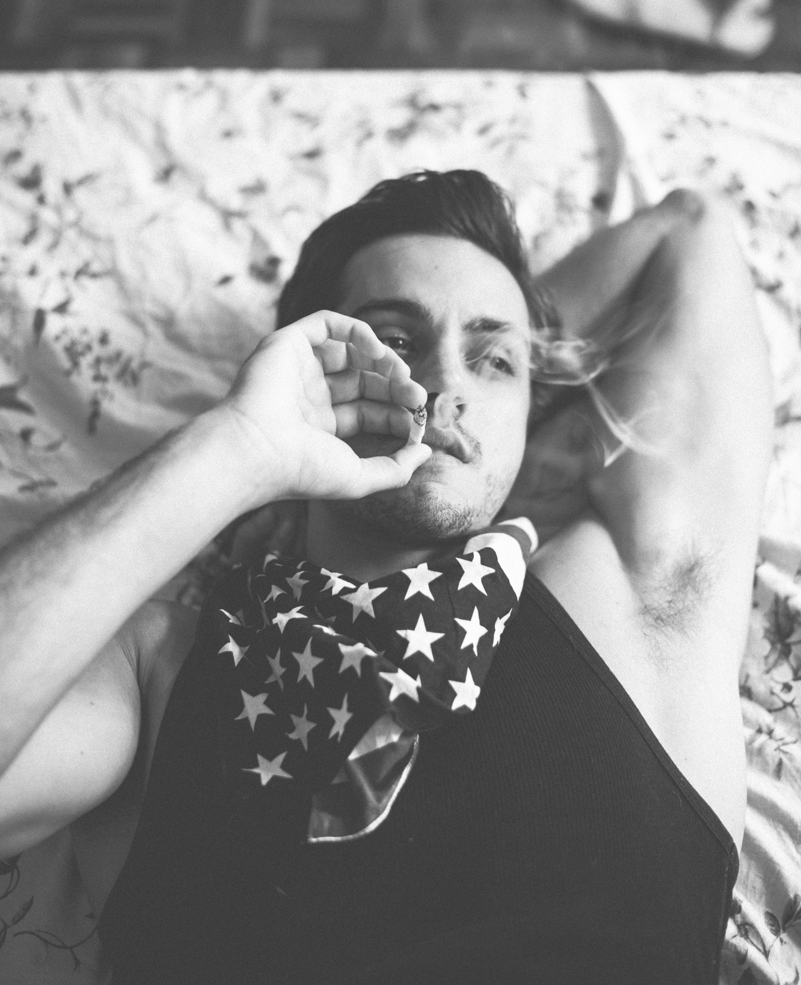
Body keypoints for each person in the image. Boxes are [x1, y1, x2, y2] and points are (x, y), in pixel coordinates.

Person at [0, 170, 772, 983]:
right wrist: (237, 446)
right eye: (393, 343)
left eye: (493, 361)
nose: (443, 386)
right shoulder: (154, 665)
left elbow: (688, 228)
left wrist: (508, 344)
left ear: (534, 407)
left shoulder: (631, 596)